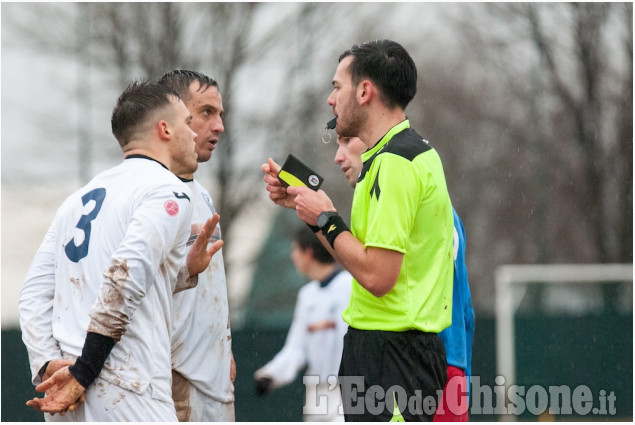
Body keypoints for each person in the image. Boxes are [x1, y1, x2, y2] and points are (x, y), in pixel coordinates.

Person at [262, 39, 454, 421]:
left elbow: (377, 276)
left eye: (336, 87)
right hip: (380, 351)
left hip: (396, 356)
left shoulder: (397, 161)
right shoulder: (387, 157)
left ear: (365, 91)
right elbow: (359, 258)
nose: (331, 100)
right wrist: (311, 214)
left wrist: (326, 218)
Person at [19, 81, 223, 421]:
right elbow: (124, 279)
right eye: (188, 123)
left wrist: (48, 364)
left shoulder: (79, 198)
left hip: (65, 396)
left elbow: (34, 295)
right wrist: (84, 372)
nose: (193, 134)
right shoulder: (167, 191)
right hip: (127, 392)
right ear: (165, 129)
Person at [334, 135, 475, 421]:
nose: (338, 156)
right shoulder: (412, 202)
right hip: (424, 364)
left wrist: (325, 221)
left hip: (432, 366)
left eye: (348, 141)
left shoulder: (424, 210)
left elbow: (378, 278)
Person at [157, 69, 235, 422]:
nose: (218, 126)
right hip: (173, 383)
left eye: (220, 114)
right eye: (206, 113)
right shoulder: (152, 195)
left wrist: (224, 346)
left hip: (214, 383)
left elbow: (209, 287)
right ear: (172, 119)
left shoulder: (200, 192)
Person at [253, 225, 351, 422]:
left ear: (309, 252)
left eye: (295, 250)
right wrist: (271, 374)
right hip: (316, 393)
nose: (293, 256)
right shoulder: (307, 296)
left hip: (348, 390)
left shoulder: (350, 285)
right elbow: (297, 347)